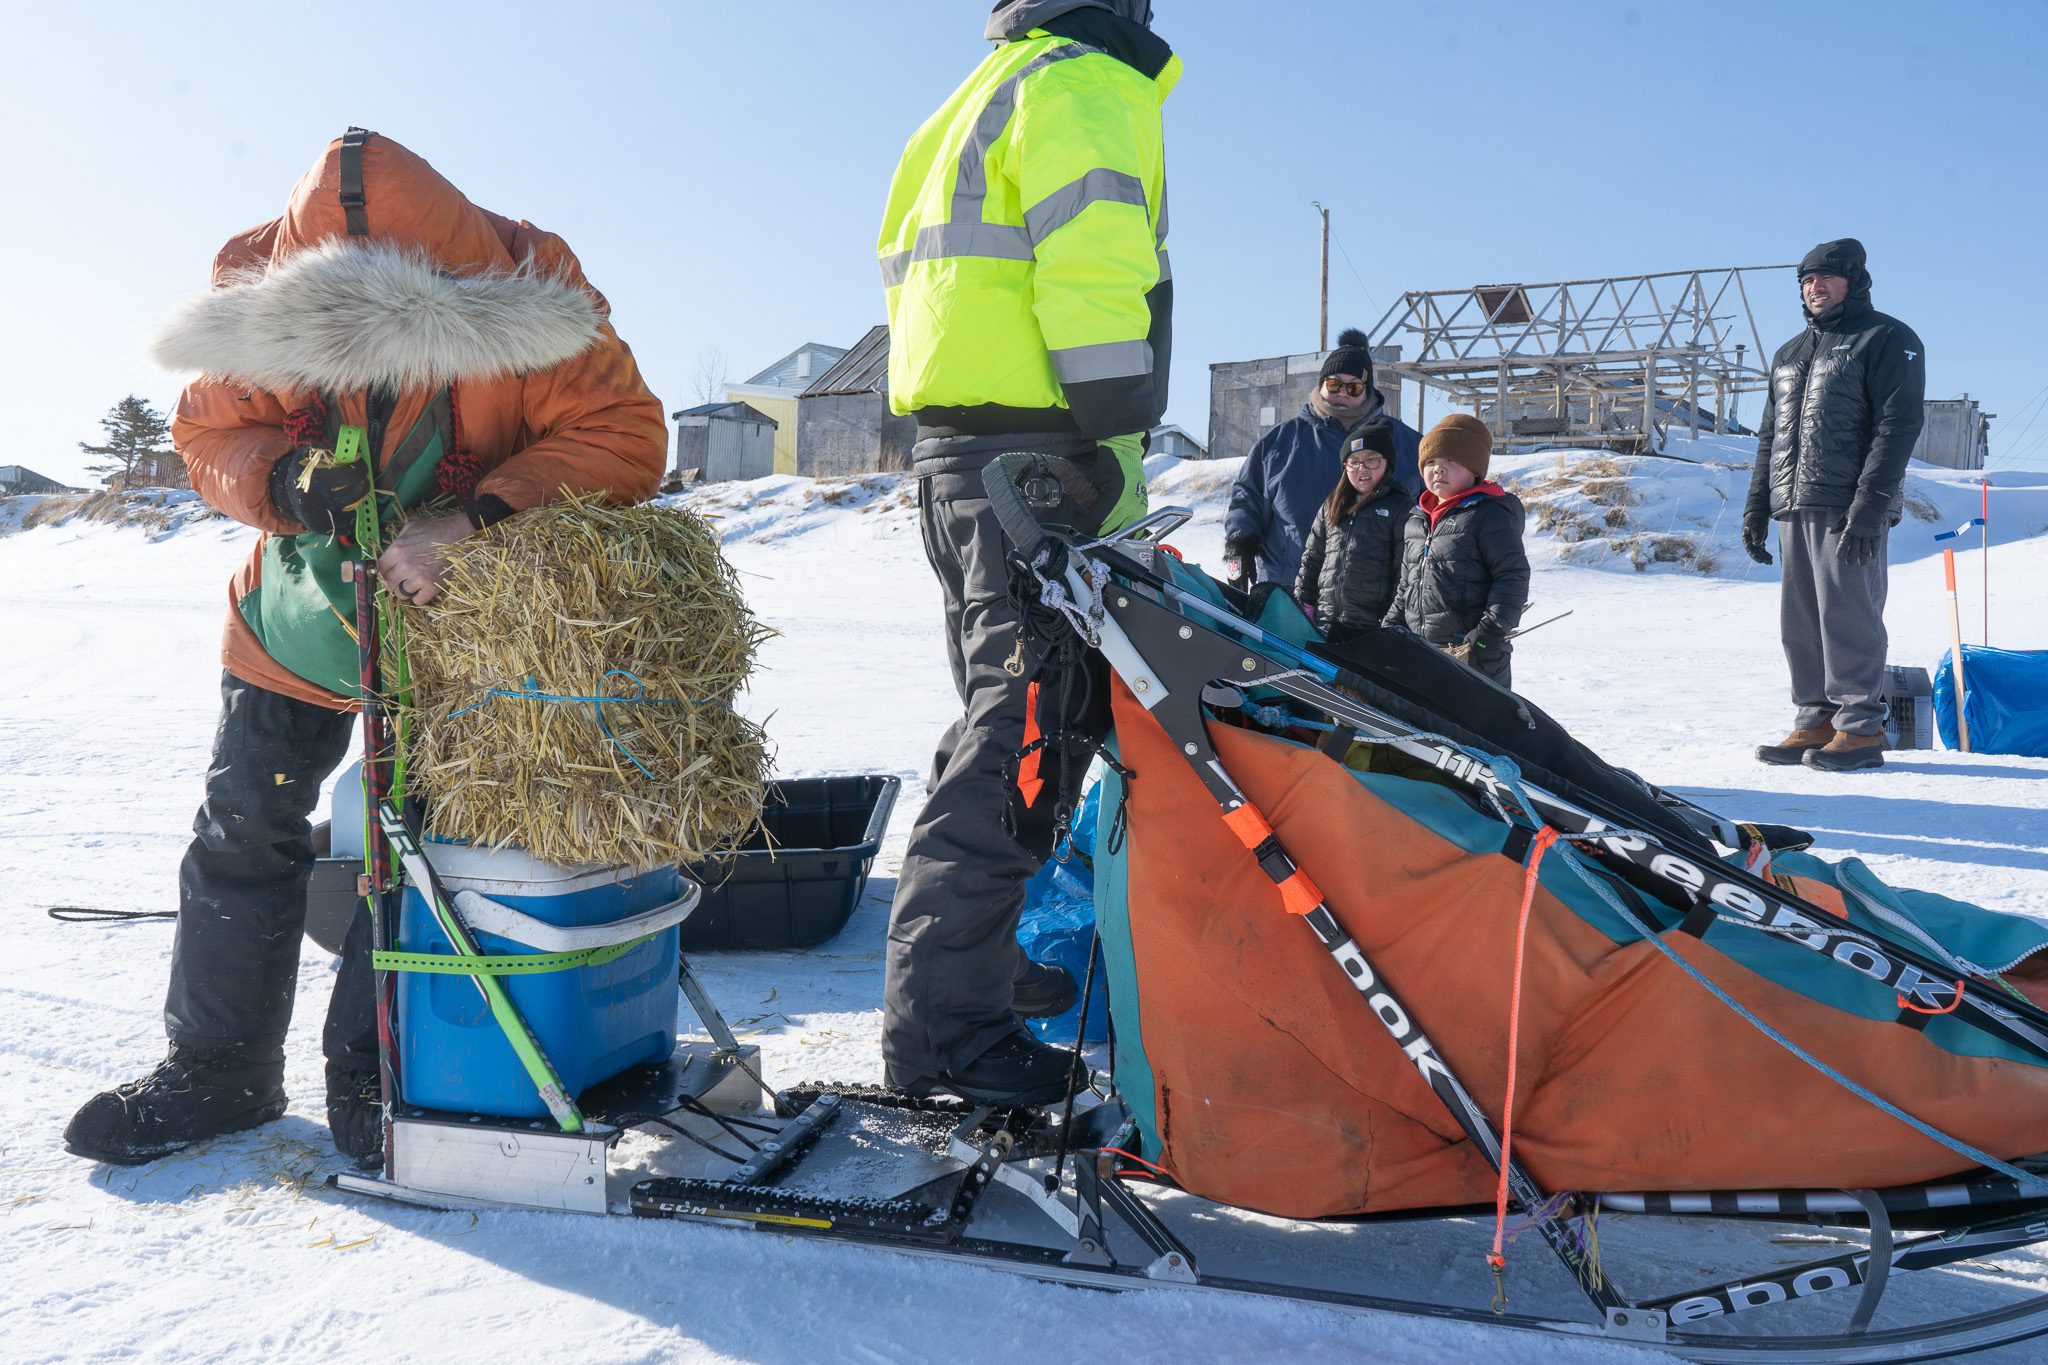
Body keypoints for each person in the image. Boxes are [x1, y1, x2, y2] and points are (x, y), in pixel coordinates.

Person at [63, 130, 667, 1168]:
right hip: (291, 621)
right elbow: (209, 438)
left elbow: (622, 436)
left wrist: (474, 514)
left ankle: (379, 1074)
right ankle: (218, 1071)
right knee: (244, 826)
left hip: (453, 630)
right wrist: (282, 481)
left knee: (415, 850)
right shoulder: (252, 302)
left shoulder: (536, 299)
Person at [874, 0, 1177, 1107]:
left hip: (962, 456)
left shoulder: (974, 92)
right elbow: (1093, 263)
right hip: (1041, 457)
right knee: (1028, 735)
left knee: (1012, 723)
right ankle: (947, 1036)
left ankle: (970, 974)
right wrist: (1108, 422)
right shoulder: (1082, 83)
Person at [1742, 239, 1925, 773]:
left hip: (1849, 503)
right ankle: (1816, 719)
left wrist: (1872, 506)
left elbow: (1898, 427)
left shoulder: (1887, 338)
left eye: (1825, 278)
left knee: (1848, 613)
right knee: (1799, 620)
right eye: (1806, 280)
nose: (1813, 288)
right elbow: (1770, 436)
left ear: (1854, 281)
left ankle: (1861, 728)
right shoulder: (1790, 353)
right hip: (1792, 502)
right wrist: (1758, 506)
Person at [1224, 327, 1421, 592]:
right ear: (1321, 385)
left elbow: (1436, 505)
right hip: (1286, 590)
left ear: (1368, 390)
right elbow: (1247, 497)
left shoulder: (1408, 444)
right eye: (1334, 384)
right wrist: (1241, 544)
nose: (1342, 393)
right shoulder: (1280, 442)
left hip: (1374, 601)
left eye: (1354, 387)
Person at [1383, 414, 1529, 687]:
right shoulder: (1417, 519)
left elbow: (1512, 575)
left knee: (1473, 728)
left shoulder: (1489, 515)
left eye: (1452, 462)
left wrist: (1490, 633)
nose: (1439, 470)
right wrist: (1390, 627)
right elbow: (1408, 583)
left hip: (1472, 654)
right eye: (1431, 463)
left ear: (1475, 469)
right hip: (1421, 653)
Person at [1293, 417, 1414, 641]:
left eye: (1372, 460)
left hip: (1369, 630)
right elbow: (1312, 560)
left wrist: (1390, 623)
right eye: (1354, 461)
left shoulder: (1400, 507)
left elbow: (1404, 574)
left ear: (1387, 463)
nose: (1362, 468)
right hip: (1324, 624)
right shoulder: (1332, 505)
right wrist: (1303, 606)